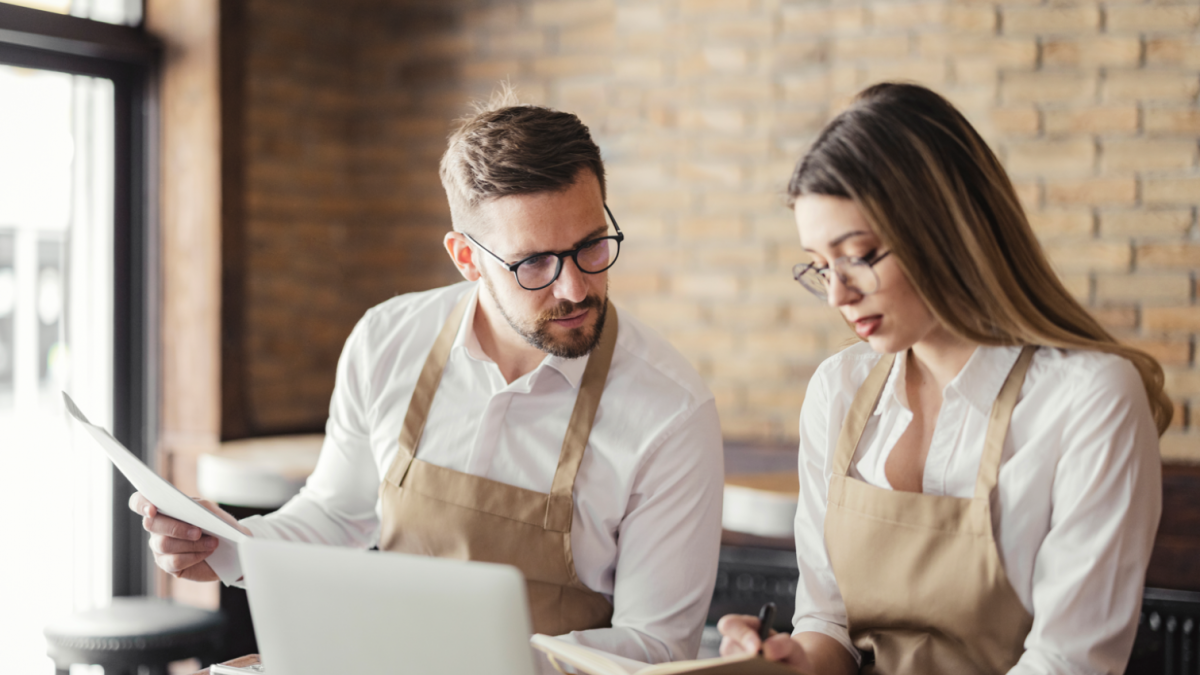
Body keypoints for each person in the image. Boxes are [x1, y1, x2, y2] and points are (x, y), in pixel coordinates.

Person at [130, 93, 725, 667]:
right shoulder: (387, 340)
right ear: (466, 259)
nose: (574, 288)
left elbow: (656, 648)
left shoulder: (669, 411)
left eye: (592, 246)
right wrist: (226, 546)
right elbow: (339, 515)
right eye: (534, 263)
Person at [718, 82, 1168, 675]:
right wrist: (779, 660)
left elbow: (1068, 662)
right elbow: (829, 626)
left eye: (858, 255)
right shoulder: (838, 389)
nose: (836, 294)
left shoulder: (1090, 398)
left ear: (943, 229)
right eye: (820, 266)